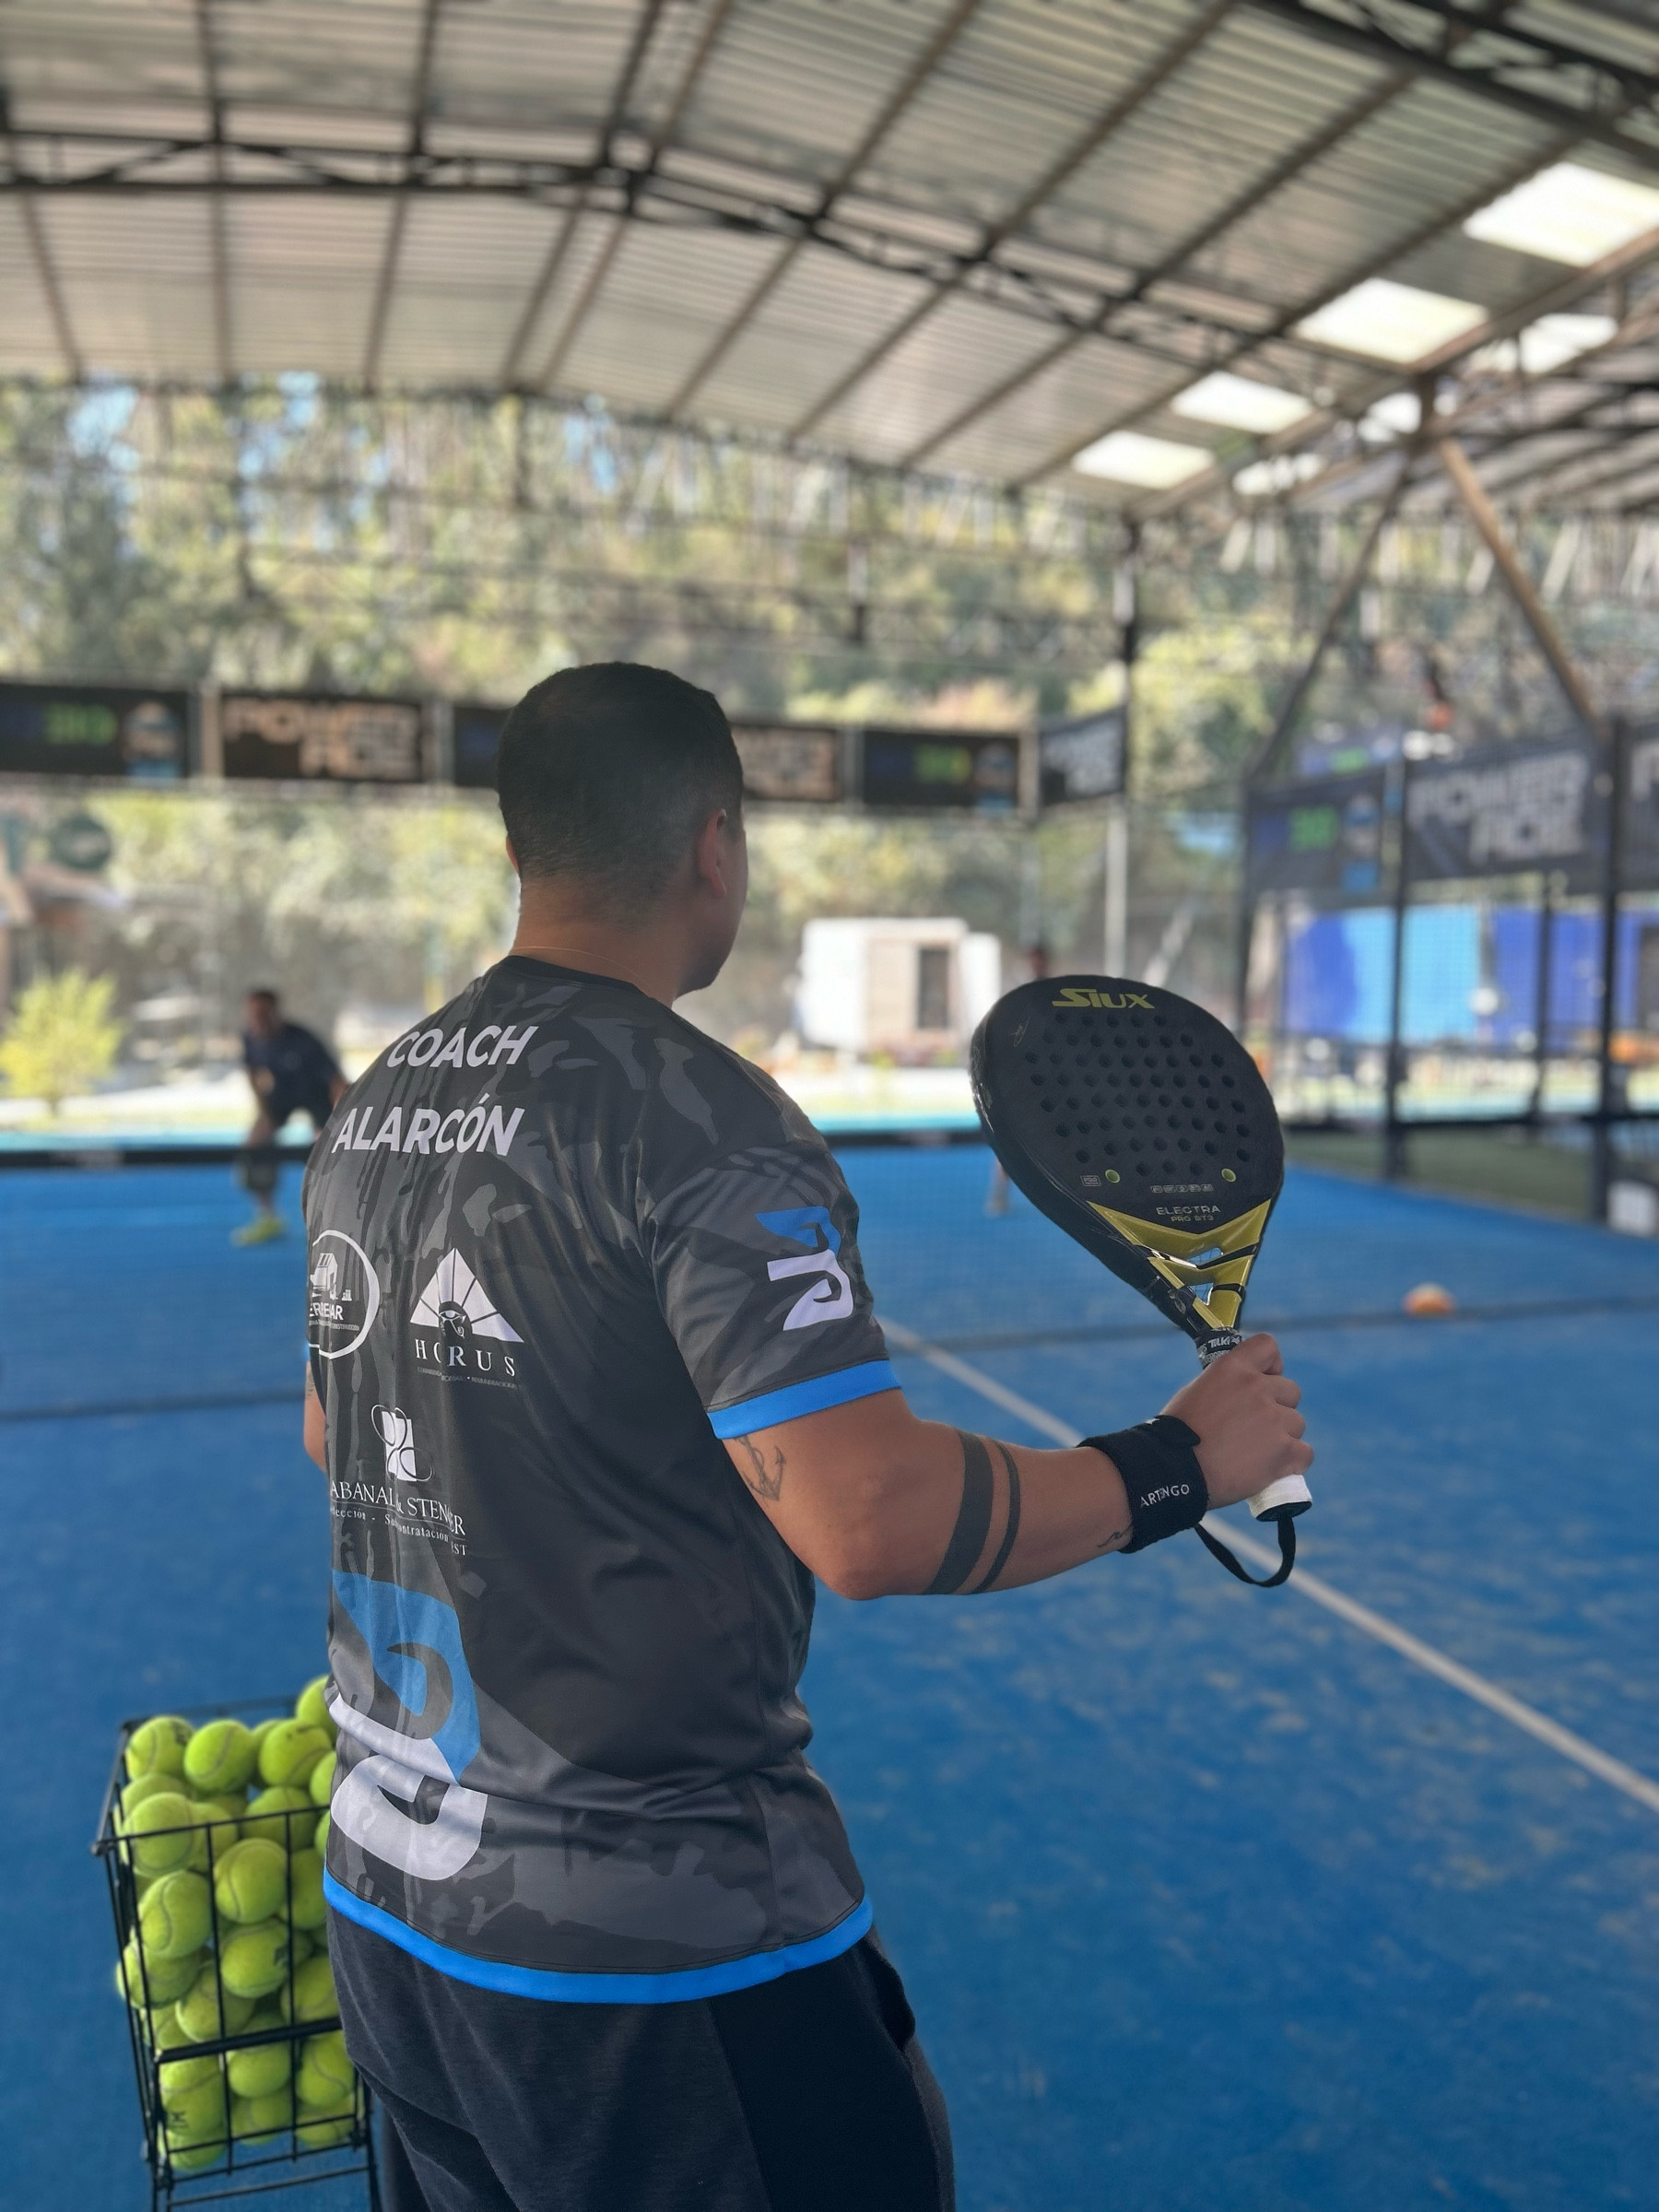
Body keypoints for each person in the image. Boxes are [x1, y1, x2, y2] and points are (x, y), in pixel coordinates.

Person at [300, 663, 1312, 2212]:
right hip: (651, 1959)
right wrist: (1179, 1464)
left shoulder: (375, 1104)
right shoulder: (697, 1114)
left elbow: (339, 1434)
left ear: (522, 849)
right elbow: (869, 1519)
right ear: (716, 844)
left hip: (390, 1917)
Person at [233, 987, 347, 1246]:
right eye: (253, 1015)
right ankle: (267, 1217)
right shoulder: (250, 1038)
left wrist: (338, 1119)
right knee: (254, 1145)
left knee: (327, 1154)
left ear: (276, 1014)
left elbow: (336, 1081)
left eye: (263, 1014)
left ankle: (334, 1220)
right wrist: (263, 1111)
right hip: (282, 1096)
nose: (258, 1020)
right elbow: (252, 1073)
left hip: (317, 1096)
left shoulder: (303, 1040)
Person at [984, 943, 1049, 1216]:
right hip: (1021, 1082)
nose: (1035, 965)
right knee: (1008, 1140)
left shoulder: (1052, 995)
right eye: (1032, 960)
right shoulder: (1018, 998)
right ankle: (999, 1194)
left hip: (1047, 1082)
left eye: (1039, 960)